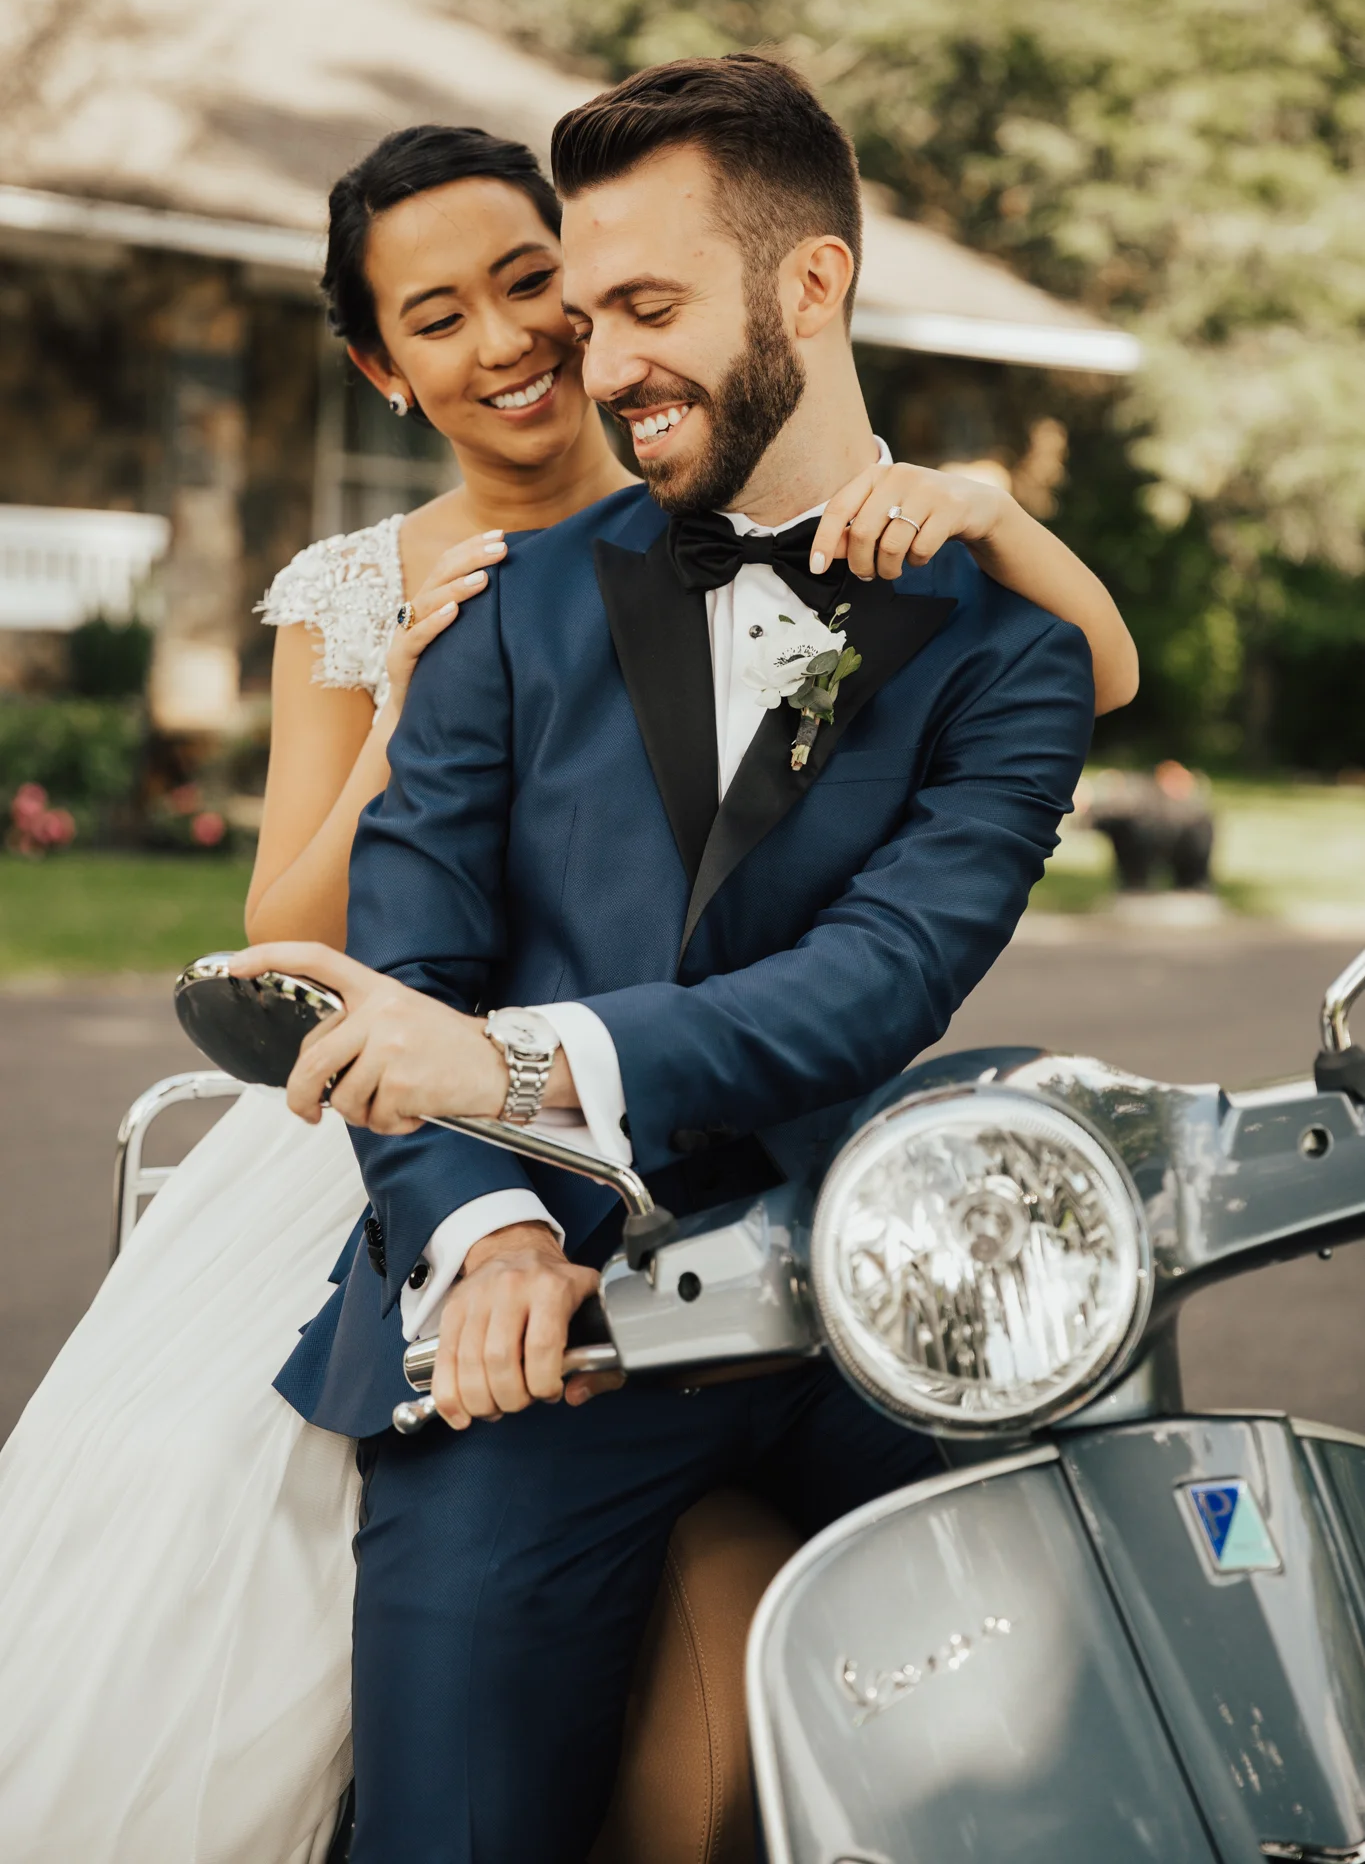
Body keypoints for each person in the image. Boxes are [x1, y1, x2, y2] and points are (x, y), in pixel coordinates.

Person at [0, 107, 1135, 1864]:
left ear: (811, 286)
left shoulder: (1011, 645)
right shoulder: (485, 612)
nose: (574, 356)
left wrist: (494, 1063)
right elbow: (400, 965)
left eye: (614, 305)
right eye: (574, 312)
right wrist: (488, 1233)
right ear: (384, 367)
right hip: (528, 1325)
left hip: (857, 1305)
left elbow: (876, 981)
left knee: (1111, 1714)